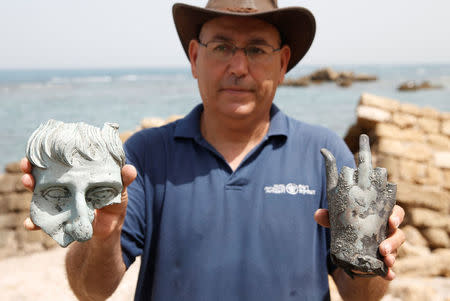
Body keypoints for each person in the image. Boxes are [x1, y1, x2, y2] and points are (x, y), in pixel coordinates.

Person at [21, 1, 406, 300]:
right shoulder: (146, 156)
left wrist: (372, 257)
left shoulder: (322, 153)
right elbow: (92, 291)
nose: (238, 66)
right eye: (221, 46)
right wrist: (103, 234)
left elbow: (360, 294)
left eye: (256, 49)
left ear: (283, 62)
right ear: (194, 57)